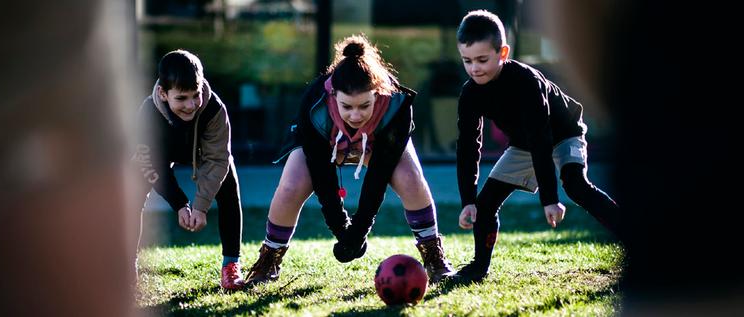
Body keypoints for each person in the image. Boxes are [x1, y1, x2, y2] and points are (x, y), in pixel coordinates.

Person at [244, 35, 456, 285]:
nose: (356, 115)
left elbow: (379, 175)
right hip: (327, 145)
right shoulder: (315, 102)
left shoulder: (397, 104)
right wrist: (341, 227)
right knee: (290, 187)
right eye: (347, 107)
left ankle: (434, 256)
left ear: (377, 94)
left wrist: (359, 230)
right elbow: (322, 174)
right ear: (333, 94)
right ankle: (269, 260)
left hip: (376, 146)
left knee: (411, 179)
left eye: (364, 106)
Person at [452, 10, 622, 283]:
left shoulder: (526, 82)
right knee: (485, 205)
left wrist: (549, 199)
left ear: (503, 52)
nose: (475, 68)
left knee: (575, 185)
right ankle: (478, 268)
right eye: (467, 61)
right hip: (524, 144)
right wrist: (468, 200)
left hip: (563, 132)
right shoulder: (470, 93)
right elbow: (469, 146)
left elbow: (541, 138)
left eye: (483, 59)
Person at [132, 50, 245, 290]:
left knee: (228, 185)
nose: (191, 105)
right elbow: (150, 164)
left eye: (195, 95)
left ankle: (231, 265)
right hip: (163, 153)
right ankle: (127, 265)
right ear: (163, 93)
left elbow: (217, 160)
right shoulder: (148, 113)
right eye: (181, 98)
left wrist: (201, 205)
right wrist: (180, 204)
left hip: (204, 152)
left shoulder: (214, 109)